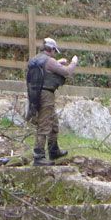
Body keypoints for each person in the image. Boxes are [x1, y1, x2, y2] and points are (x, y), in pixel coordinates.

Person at [26, 37, 78, 166]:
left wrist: (58, 62)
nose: (55, 54)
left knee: (53, 122)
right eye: (55, 51)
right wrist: (74, 62)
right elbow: (67, 72)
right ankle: (39, 156)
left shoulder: (35, 59)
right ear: (52, 49)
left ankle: (54, 150)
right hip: (46, 94)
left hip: (36, 94)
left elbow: (45, 70)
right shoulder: (49, 61)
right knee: (44, 125)